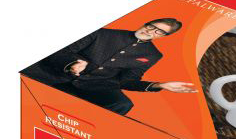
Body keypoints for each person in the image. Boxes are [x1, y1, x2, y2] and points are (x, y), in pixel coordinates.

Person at [22, 18, 196, 115]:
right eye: (150, 26)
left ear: (164, 36)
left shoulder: (153, 55)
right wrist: (72, 63)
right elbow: (61, 51)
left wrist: (159, 85)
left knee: (122, 104)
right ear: (145, 23)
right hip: (58, 74)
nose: (150, 31)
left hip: (95, 86)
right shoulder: (104, 33)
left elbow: (127, 81)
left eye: (158, 31)